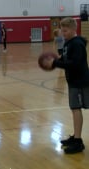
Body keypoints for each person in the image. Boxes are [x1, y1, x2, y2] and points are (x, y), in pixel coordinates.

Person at [46, 17, 89, 154]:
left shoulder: (76, 44)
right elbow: (67, 60)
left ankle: (78, 142)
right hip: (73, 81)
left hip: (80, 82)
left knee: (76, 109)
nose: (63, 33)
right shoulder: (68, 43)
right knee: (74, 109)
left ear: (73, 29)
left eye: (65, 31)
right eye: (62, 31)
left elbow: (74, 64)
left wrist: (55, 63)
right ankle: (76, 138)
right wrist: (57, 60)